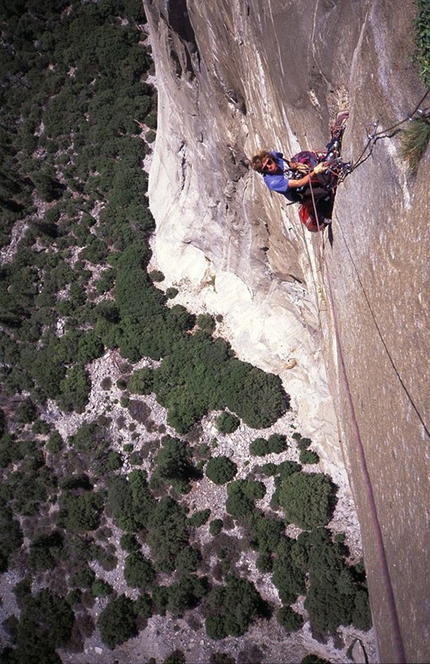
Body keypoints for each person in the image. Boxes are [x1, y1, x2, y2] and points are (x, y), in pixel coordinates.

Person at [250, 150, 328, 203]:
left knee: (323, 175)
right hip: (295, 190)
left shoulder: (274, 155)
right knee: (323, 192)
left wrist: (291, 164)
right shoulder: (273, 182)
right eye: (265, 168)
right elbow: (299, 183)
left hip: (295, 175)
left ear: (271, 158)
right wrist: (315, 171)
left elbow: (281, 158)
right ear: (263, 171)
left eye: (269, 162)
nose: (269, 166)